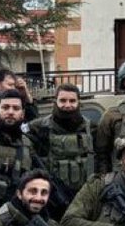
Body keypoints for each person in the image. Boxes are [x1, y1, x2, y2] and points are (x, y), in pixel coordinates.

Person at [27, 82, 98, 214]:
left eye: (72, 101)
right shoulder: (38, 127)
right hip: (52, 199)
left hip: (85, 198)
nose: (67, 105)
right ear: (55, 101)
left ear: (79, 102)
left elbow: (102, 160)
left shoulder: (92, 128)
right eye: (63, 100)